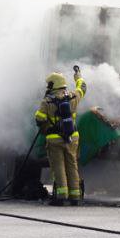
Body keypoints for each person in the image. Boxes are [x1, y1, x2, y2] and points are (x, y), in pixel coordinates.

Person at [35, 68, 86, 206]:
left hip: (54, 139)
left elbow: (39, 119)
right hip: (72, 137)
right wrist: (78, 77)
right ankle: (75, 197)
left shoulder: (47, 102)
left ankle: (61, 197)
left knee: (58, 167)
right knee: (72, 165)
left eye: (49, 84)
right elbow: (83, 87)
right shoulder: (73, 96)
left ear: (53, 84)